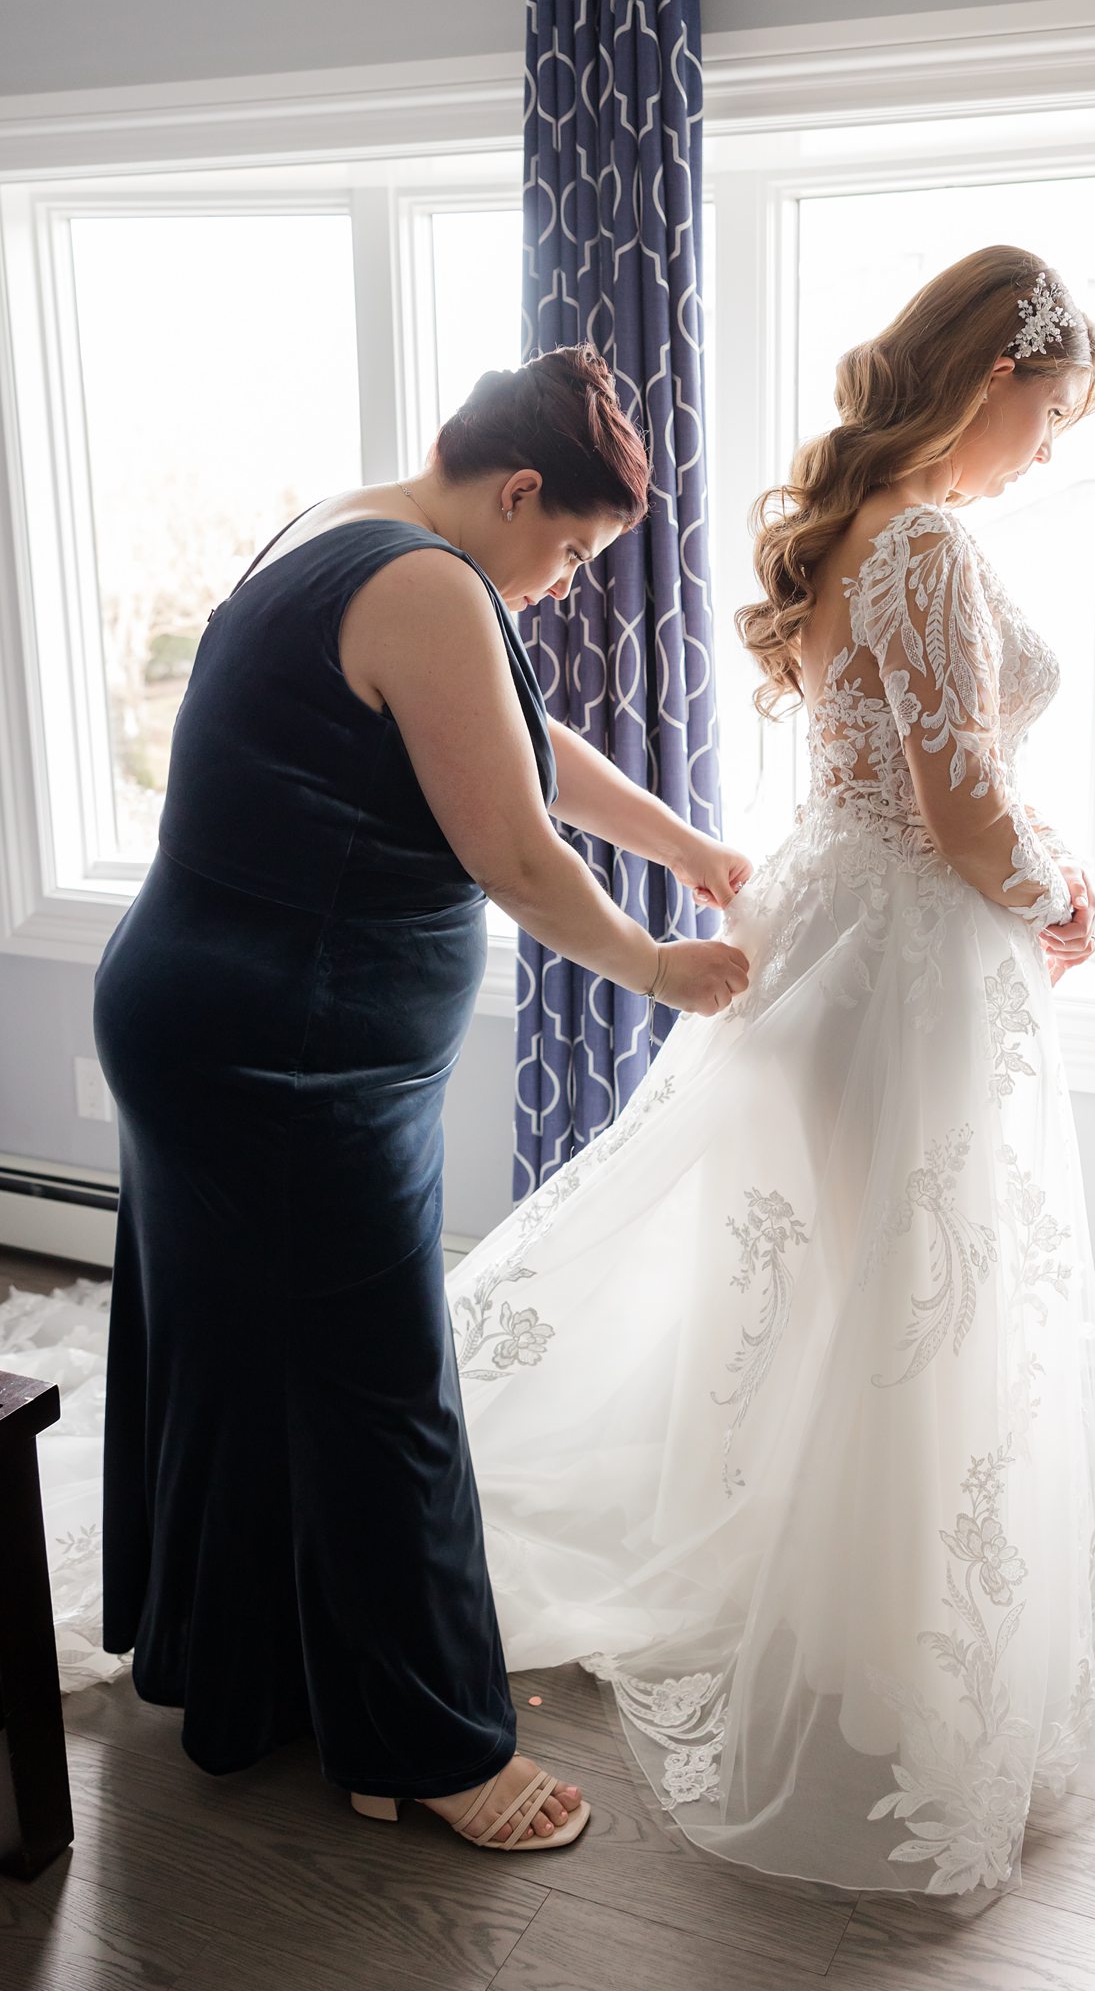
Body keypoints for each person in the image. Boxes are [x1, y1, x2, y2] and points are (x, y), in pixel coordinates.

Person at [443, 247, 1095, 1906]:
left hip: (844, 928)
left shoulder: (864, 534)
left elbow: (919, 786)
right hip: (903, 964)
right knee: (912, 1298)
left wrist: (1027, 864)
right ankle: (892, 1657)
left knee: (858, 1294)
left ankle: (870, 1615)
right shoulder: (927, 543)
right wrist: (1065, 898)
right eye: (1052, 416)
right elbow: (963, 811)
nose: (1049, 450)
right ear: (996, 380)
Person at [90, 343, 751, 1857]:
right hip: (281, 1055)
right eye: (571, 548)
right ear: (519, 489)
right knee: (383, 1386)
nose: (567, 582)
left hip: (217, 1019)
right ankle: (423, 1749)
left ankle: (238, 1667)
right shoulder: (432, 586)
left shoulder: (354, 525)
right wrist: (657, 965)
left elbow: (519, 746)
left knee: (254, 1356)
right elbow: (513, 851)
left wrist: (683, 843)